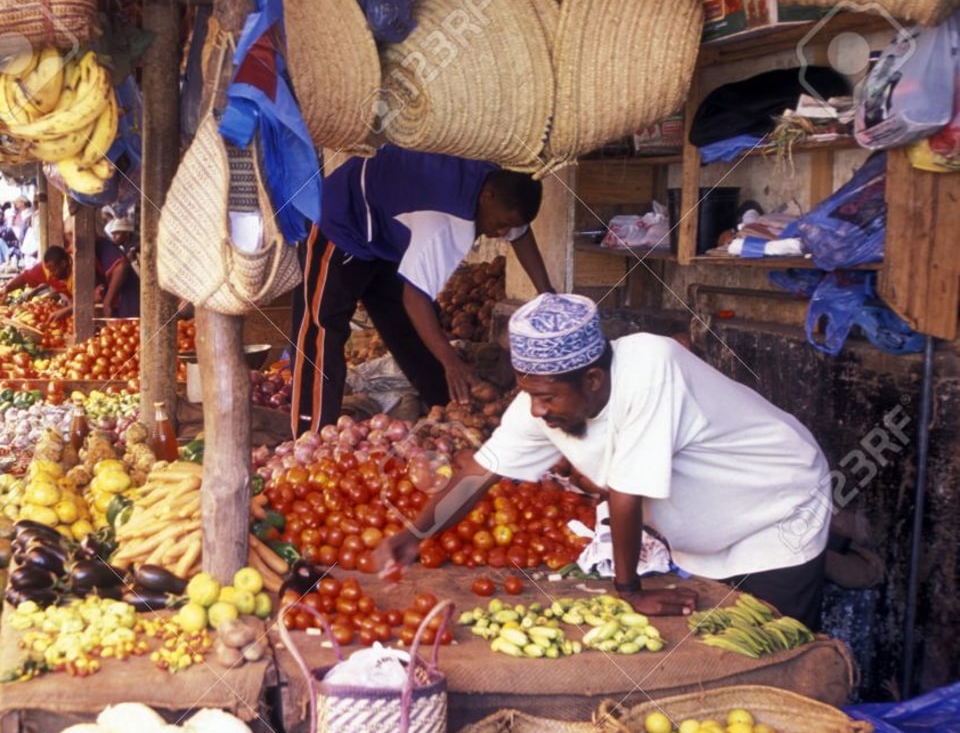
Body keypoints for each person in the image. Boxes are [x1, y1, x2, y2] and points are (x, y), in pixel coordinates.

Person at [378, 293, 833, 624]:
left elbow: (626, 493)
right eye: (529, 394)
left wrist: (628, 592)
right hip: (710, 538)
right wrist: (417, 531)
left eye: (548, 397)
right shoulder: (543, 402)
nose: (537, 409)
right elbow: (481, 471)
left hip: (777, 515)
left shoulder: (653, 367)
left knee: (776, 652)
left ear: (593, 380)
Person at [290, 144, 554, 436]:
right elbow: (414, 298)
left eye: (509, 227)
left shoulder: (496, 187)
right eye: (502, 224)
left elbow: (521, 233)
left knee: (413, 334)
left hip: (387, 232)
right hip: (343, 221)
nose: (502, 233)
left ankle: (450, 415)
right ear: (486, 197)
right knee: (322, 331)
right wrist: (451, 361)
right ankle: (310, 434)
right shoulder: (447, 223)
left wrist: (548, 294)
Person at [0, 245, 73, 321]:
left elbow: (85, 301)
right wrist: (7, 288)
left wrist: (65, 311)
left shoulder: (79, 273)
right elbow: (24, 277)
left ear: (63, 264)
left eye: (54, 270)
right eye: (49, 270)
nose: (51, 274)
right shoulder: (47, 269)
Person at [101, 217, 140, 318]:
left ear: (127, 234)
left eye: (117, 234)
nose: (114, 237)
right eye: (113, 234)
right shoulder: (123, 249)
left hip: (135, 290)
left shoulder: (134, 249)